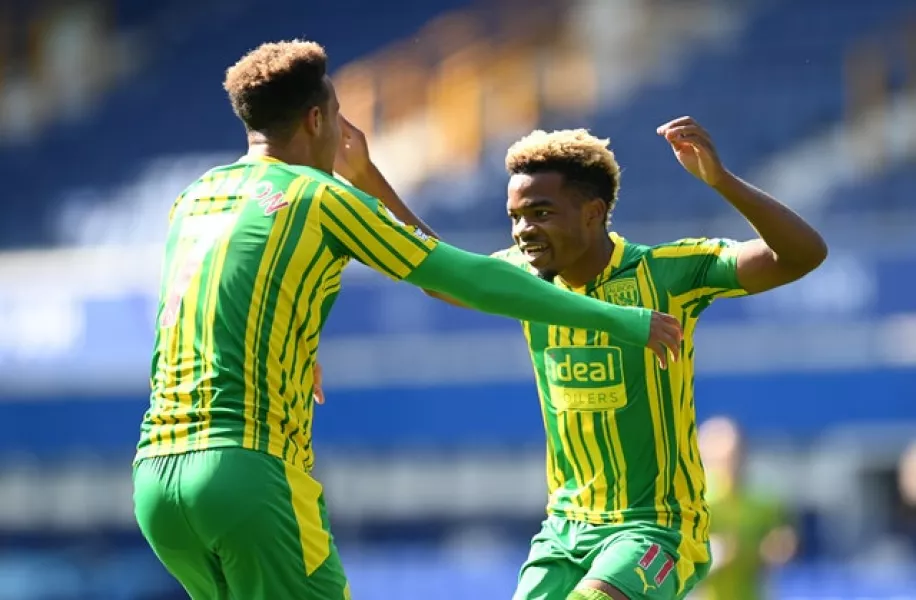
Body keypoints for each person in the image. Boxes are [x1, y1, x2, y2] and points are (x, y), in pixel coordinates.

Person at [130, 40, 682, 600]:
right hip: (245, 471)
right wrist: (620, 319)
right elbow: (465, 278)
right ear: (317, 118)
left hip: (156, 481)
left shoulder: (194, 197)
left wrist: (294, 349)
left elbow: (199, 305)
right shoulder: (320, 196)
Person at [344, 117, 827, 600]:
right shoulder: (522, 278)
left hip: (655, 530)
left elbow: (802, 255)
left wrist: (720, 180)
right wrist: (367, 177)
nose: (523, 231)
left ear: (593, 213)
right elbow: (439, 274)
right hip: (564, 531)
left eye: (540, 213)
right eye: (515, 217)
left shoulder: (667, 274)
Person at [694, 416, 797, 600]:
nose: (730, 465)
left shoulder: (762, 504)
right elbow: (680, 557)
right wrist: (715, 552)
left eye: (735, 455)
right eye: (722, 459)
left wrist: (777, 549)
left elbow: (782, 547)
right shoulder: (695, 505)